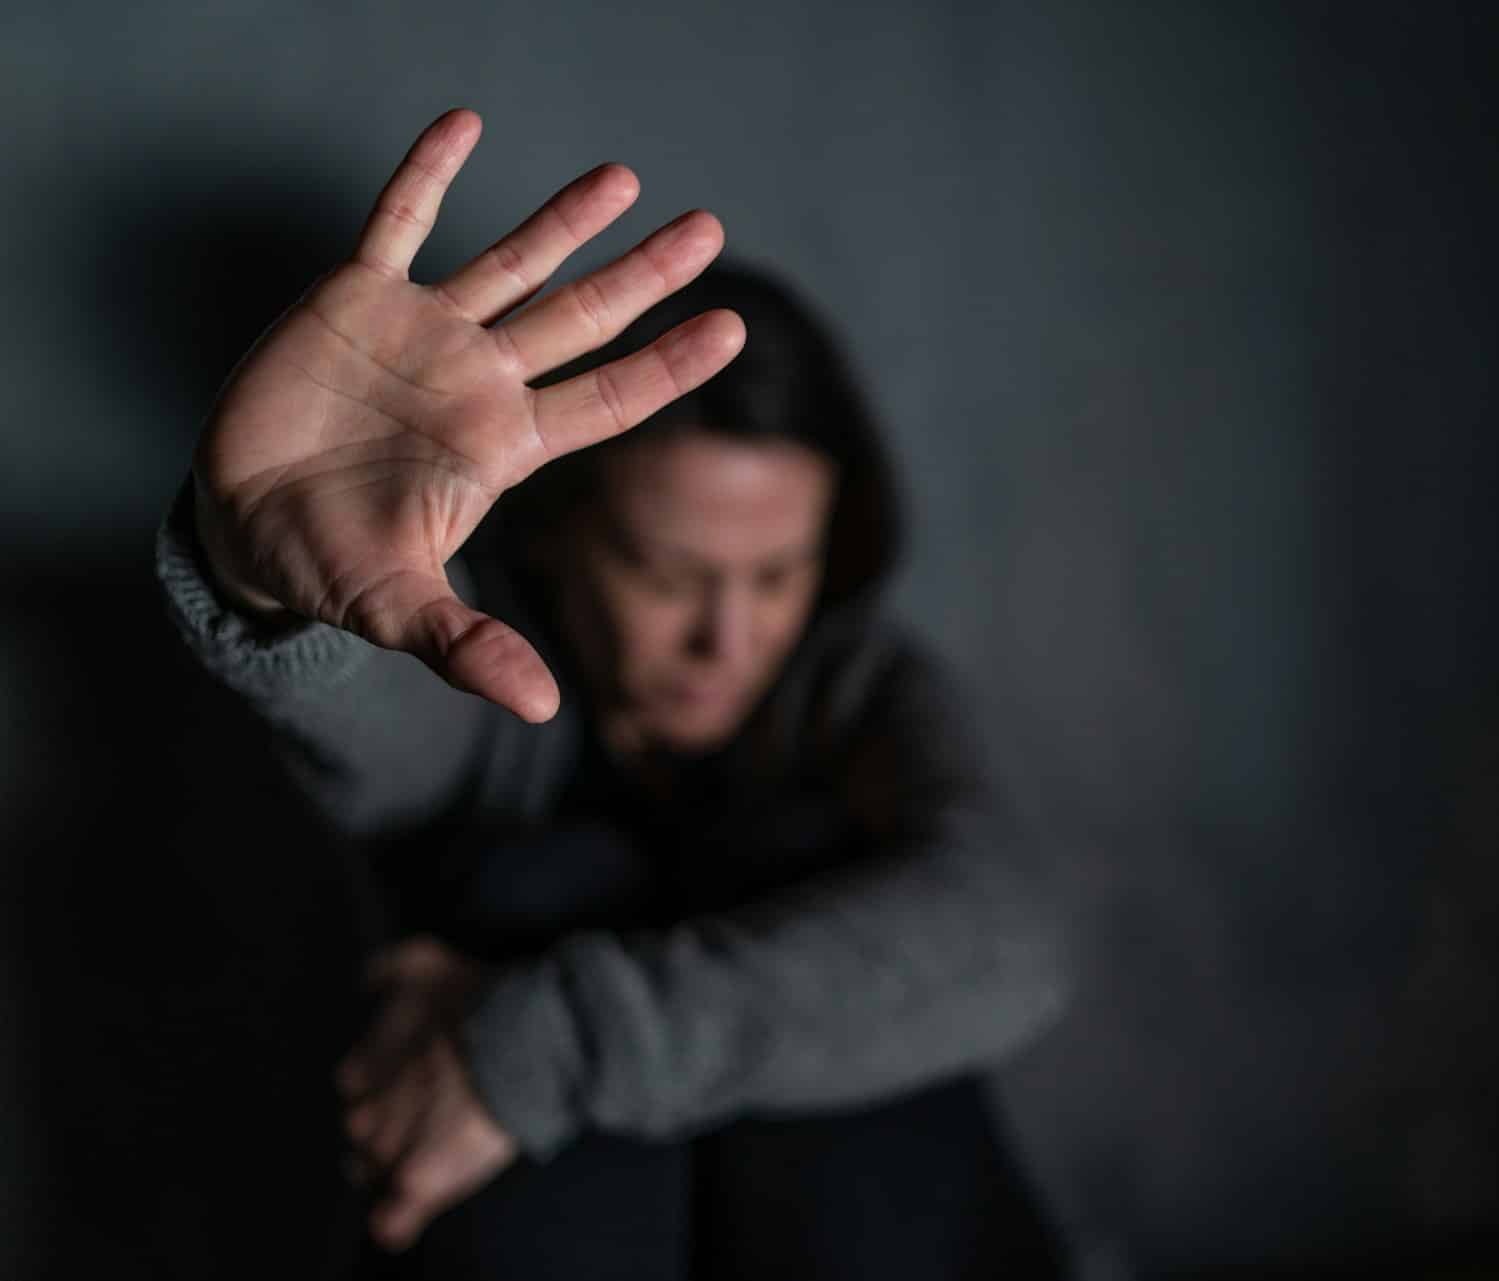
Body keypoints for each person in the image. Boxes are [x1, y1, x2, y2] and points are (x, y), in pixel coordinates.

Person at [153, 108, 1075, 1279]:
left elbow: (1002, 935)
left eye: (777, 575)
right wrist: (271, 581)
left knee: (813, 882)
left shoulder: (860, 687)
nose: (724, 638)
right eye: (667, 574)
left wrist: (526, 1050)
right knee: (546, 883)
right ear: (560, 538)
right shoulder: (487, 655)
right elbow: (382, 725)